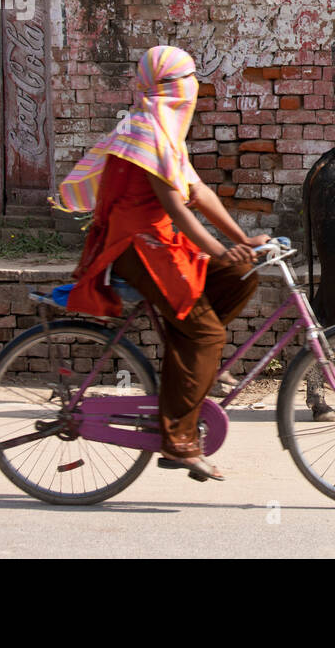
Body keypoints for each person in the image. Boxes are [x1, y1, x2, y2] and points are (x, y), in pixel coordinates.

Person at [57, 45, 268, 482]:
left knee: (241, 274)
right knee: (205, 331)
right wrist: (217, 249)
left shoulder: (162, 129)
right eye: (188, 81)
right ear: (172, 89)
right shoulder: (145, 130)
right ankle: (180, 442)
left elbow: (199, 193)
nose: (194, 89)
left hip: (161, 241)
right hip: (137, 246)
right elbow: (176, 206)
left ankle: (190, 359)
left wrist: (242, 240)